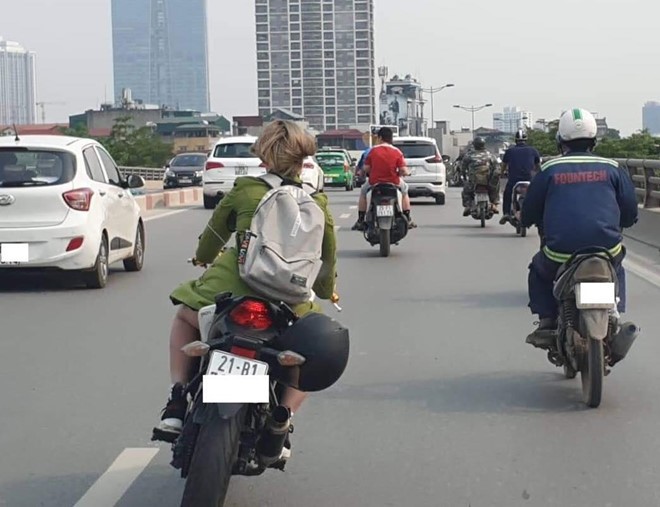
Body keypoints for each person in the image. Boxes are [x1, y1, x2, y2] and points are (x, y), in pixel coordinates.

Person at [153, 120, 338, 461]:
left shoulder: (246, 189)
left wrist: (202, 258)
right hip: (288, 302)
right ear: (303, 160)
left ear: (263, 154)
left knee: (184, 317)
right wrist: (325, 291)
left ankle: (178, 398)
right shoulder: (318, 203)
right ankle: (283, 418)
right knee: (308, 354)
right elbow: (325, 264)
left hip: (228, 293)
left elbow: (212, 238)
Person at [521, 108, 638, 340]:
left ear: (560, 141)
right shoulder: (613, 168)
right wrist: (623, 222)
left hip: (560, 252)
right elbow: (630, 211)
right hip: (606, 249)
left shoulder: (548, 169)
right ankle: (615, 312)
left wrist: (527, 221)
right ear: (594, 140)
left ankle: (546, 321)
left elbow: (529, 211)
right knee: (617, 266)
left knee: (538, 271)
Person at [351, 126, 415, 230]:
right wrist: (407, 173)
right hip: (394, 182)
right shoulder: (397, 152)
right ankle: (407, 218)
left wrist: (365, 171)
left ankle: (360, 220)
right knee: (405, 191)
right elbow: (403, 170)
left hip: (374, 183)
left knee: (363, 192)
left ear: (380, 138)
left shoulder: (373, 151)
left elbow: (366, 168)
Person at [499, 130, 541, 224]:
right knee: (536, 194)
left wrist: (501, 174)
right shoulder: (533, 150)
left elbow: (503, 166)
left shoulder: (509, 151)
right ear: (526, 140)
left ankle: (506, 213)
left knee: (507, 193)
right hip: (529, 180)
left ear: (515, 140)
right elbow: (538, 167)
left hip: (514, 181)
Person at [461, 137, 501, 216]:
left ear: (474, 145)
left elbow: (463, 168)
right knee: (495, 188)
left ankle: (468, 206)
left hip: (473, 180)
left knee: (466, 191)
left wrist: (464, 177)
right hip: (488, 180)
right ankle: (494, 204)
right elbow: (496, 167)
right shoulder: (490, 155)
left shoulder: (469, 155)